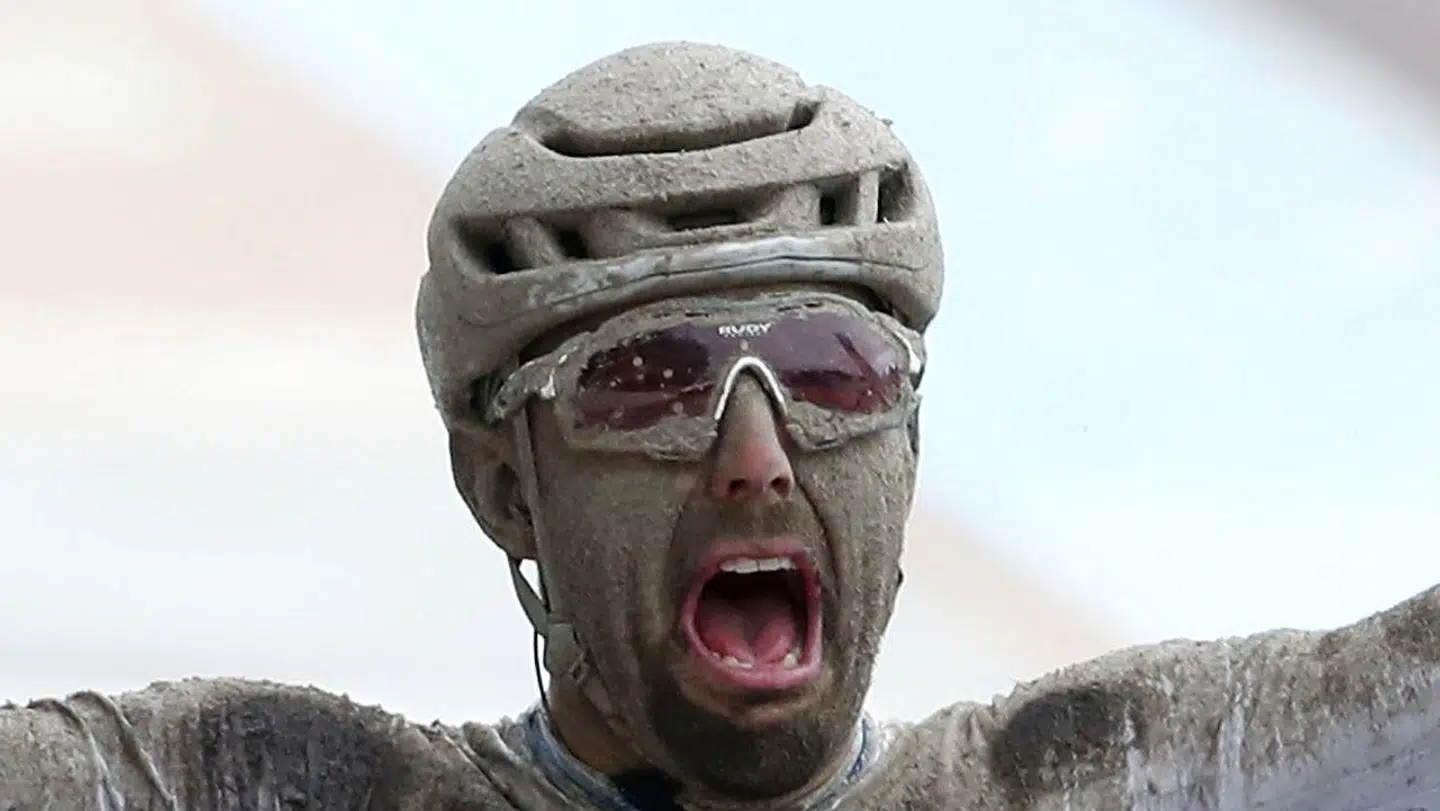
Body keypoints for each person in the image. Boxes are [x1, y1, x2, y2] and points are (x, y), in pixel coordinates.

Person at [2, 41, 1436, 811]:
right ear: (505, 485)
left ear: (912, 443)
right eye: (654, 380)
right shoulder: (258, 787)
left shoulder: (1116, 777)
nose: (755, 453)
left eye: (832, 370)